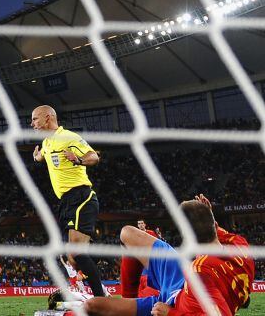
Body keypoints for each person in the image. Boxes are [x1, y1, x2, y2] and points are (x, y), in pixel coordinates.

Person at [83, 195, 254, 316]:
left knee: (92, 306)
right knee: (127, 233)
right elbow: (214, 232)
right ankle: (129, 298)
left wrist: (171, 313)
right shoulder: (240, 245)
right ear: (215, 224)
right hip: (181, 277)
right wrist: (205, 215)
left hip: (171, 302)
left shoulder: (202, 270)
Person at [32, 105, 107, 298]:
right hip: (66, 202)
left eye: (35, 119)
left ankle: (100, 299)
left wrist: (78, 160)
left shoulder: (68, 137)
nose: (32, 124)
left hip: (81, 196)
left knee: (77, 252)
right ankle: (102, 290)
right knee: (73, 259)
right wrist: (38, 157)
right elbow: (46, 155)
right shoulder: (48, 142)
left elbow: (93, 157)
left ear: (48, 118)